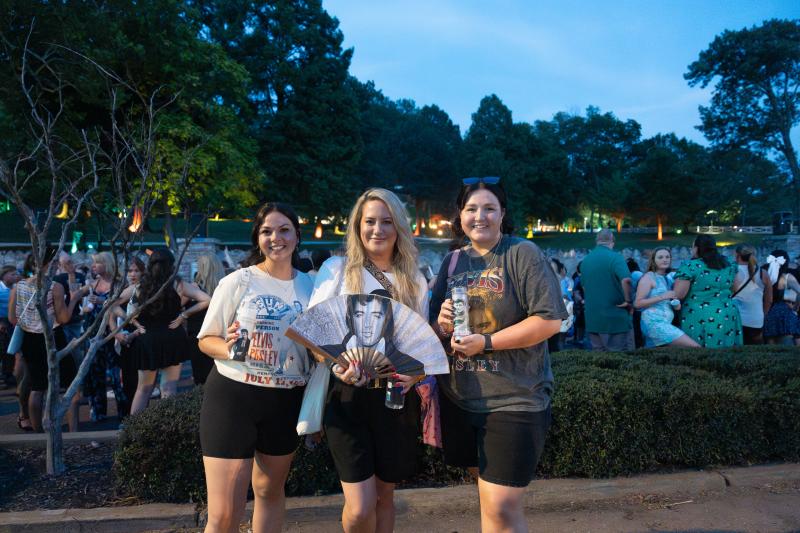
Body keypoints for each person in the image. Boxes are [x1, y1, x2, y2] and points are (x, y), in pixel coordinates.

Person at [430, 177, 566, 533]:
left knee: (501, 509)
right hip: (460, 400)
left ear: (503, 214)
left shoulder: (522, 253)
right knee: (490, 503)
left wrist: (487, 343)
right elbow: (432, 330)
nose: (480, 216)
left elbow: (549, 320)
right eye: (471, 209)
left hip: (514, 399)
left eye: (489, 208)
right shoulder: (452, 261)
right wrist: (442, 324)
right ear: (460, 215)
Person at [310, 188, 428, 533]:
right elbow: (312, 333)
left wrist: (415, 375)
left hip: (395, 398)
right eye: (370, 221)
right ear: (357, 226)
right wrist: (336, 365)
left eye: (387, 222)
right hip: (347, 396)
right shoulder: (337, 270)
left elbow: (421, 346)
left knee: (384, 497)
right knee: (360, 506)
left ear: (399, 227)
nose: (378, 229)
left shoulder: (413, 279)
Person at [196, 202, 314, 533]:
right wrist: (230, 348)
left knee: (269, 491)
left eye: (284, 230)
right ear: (258, 239)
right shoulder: (238, 281)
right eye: (267, 231)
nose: (276, 238)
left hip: (286, 399)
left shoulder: (312, 286)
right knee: (224, 514)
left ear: (297, 235)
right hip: (234, 395)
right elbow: (206, 339)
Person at [114, 248, 209, 414]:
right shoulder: (177, 283)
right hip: (172, 336)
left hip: (147, 338)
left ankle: (133, 429)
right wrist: (184, 315)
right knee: (168, 388)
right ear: (171, 265)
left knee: (143, 389)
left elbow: (111, 303)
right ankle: (166, 428)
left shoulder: (140, 286)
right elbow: (207, 299)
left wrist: (133, 321)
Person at [8, 250, 82, 432]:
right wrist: (74, 300)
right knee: (72, 387)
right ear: (46, 264)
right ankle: (74, 432)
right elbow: (64, 318)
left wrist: (31, 323)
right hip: (53, 337)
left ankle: (38, 434)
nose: (56, 265)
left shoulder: (19, 287)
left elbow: (12, 318)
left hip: (29, 339)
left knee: (37, 387)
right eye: (54, 262)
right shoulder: (55, 287)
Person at [81, 252, 128, 421]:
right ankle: (98, 412)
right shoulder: (92, 284)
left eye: (97, 263)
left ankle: (124, 415)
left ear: (107, 264)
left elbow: (123, 309)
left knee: (116, 375)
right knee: (95, 373)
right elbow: (78, 299)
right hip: (93, 334)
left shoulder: (120, 285)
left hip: (113, 334)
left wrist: (102, 302)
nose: (93, 266)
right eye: (93, 263)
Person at [673, 235, 742, 347]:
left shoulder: (690, 266)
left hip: (698, 315)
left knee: (699, 351)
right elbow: (736, 288)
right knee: (727, 350)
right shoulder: (729, 264)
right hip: (728, 313)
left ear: (696, 248)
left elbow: (679, 294)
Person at [580, 229, 634, 351]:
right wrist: (628, 301)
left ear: (596, 241)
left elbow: (584, 287)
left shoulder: (586, 260)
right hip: (616, 319)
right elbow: (626, 280)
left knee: (600, 358)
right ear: (612, 241)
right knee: (620, 357)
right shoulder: (616, 257)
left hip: (593, 319)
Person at [634, 247, 699, 348]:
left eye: (667, 257)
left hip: (666, 322)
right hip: (653, 323)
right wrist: (662, 296)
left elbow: (673, 305)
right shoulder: (649, 277)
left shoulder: (668, 278)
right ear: (653, 260)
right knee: (694, 347)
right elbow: (637, 303)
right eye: (660, 257)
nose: (665, 260)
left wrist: (676, 304)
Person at [113, 256, 146, 419]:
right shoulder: (127, 289)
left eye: (136, 271)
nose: (132, 274)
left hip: (141, 337)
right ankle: (130, 420)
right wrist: (117, 332)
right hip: (127, 339)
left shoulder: (144, 289)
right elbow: (110, 308)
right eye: (129, 271)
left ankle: (138, 420)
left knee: (142, 384)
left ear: (143, 272)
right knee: (129, 382)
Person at [185, 253, 222, 384]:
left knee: (200, 377)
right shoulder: (223, 287)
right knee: (217, 374)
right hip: (218, 335)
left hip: (198, 336)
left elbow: (177, 307)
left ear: (201, 267)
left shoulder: (194, 289)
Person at [732, 245, 772, 345]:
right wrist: (762, 315)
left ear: (737, 255)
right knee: (755, 351)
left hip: (734, 320)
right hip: (756, 320)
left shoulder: (731, 272)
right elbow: (769, 300)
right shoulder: (763, 273)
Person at [761, 249, 800, 345]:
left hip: (766, 312)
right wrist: (795, 308)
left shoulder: (763, 275)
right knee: (789, 346)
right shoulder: (786, 277)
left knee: (770, 346)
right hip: (784, 314)